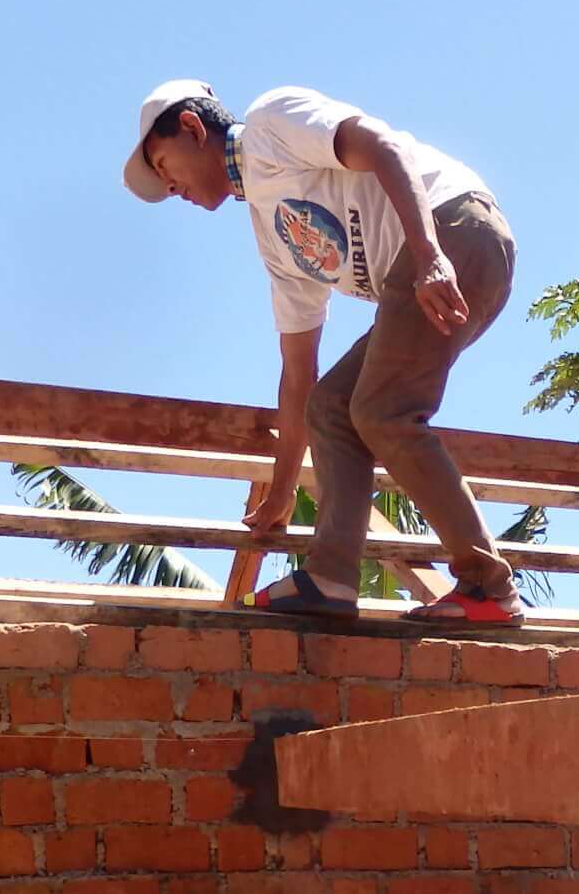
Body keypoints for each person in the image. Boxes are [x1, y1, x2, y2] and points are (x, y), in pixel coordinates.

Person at [124, 80, 521, 625]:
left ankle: (488, 586)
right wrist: (281, 491)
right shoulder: (274, 238)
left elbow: (383, 146)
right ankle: (331, 578)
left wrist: (429, 254)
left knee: (382, 410)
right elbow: (298, 375)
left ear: (192, 128)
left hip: (453, 228)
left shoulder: (270, 125)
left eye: (163, 164)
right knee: (332, 405)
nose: (171, 188)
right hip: (428, 266)